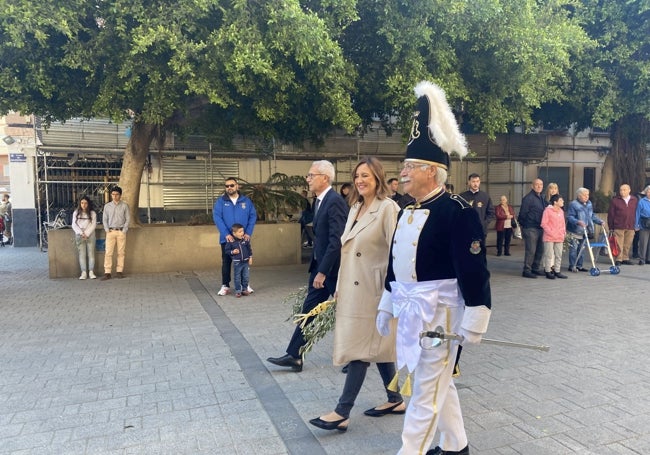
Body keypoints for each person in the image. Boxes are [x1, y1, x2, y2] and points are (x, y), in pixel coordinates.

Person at [375, 81, 491, 455]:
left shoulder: (457, 212)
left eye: (410, 166)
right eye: (404, 166)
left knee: (425, 389)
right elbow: (397, 265)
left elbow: (473, 269)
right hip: (410, 309)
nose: (403, 172)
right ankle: (456, 446)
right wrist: (387, 302)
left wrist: (476, 315)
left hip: (440, 314)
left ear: (432, 171)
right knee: (438, 382)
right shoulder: (407, 210)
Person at [308, 157, 403, 433]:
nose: (361, 180)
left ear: (378, 179)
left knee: (361, 349)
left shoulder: (388, 209)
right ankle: (395, 398)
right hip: (353, 289)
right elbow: (346, 248)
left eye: (367, 176)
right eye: (358, 175)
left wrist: (391, 291)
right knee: (377, 346)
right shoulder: (356, 207)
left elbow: (397, 252)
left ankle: (342, 411)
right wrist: (338, 286)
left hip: (374, 292)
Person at [267, 160, 348, 372]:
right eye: (308, 175)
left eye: (311, 175)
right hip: (319, 268)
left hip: (331, 271)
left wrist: (323, 271)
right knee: (309, 311)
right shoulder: (320, 201)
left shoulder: (335, 201)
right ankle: (295, 355)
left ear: (325, 178)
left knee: (348, 313)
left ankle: (358, 358)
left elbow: (336, 241)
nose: (308, 179)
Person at [213, 177, 257, 296]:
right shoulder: (221, 202)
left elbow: (253, 216)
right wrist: (226, 234)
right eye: (227, 186)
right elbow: (217, 218)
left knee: (244, 262)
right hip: (227, 240)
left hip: (243, 240)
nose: (229, 188)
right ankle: (225, 285)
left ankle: (245, 285)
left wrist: (248, 233)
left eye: (232, 185)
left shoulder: (246, 201)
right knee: (226, 262)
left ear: (237, 186)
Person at [566, 187, 604, 272]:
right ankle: (572, 265)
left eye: (587, 195)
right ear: (579, 196)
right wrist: (577, 221)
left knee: (582, 249)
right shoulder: (573, 204)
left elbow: (592, 216)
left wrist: (599, 221)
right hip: (575, 230)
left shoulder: (589, 203)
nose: (587, 197)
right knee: (574, 249)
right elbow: (570, 217)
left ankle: (580, 265)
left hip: (586, 230)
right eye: (584, 195)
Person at [518, 178, 546, 278]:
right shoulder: (528, 198)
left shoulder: (541, 197)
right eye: (537, 184)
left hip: (540, 228)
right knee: (531, 250)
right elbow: (522, 214)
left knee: (540, 249)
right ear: (532, 186)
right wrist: (525, 225)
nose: (539, 186)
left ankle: (536, 268)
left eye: (541, 184)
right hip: (530, 228)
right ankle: (527, 270)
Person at [101, 186, 130, 280]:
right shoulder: (107, 206)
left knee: (121, 252)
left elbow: (128, 219)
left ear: (120, 195)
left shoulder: (124, 206)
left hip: (121, 231)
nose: (114, 196)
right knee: (108, 252)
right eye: (113, 194)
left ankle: (119, 271)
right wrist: (106, 229)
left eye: (116, 194)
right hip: (110, 231)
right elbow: (104, 219)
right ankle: (107, 272)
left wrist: (124, 230)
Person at [608, 184, 638, 266]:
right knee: (619, 243)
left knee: (627, 243)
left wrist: (636, 224)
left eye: (624, 190)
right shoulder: (615, 200)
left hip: (630, 225)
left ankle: (625, 258)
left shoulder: (634, 200)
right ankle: (618, 259)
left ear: (629, 190)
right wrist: (611, 226)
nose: (622, 192)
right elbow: (611, 214)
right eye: (621, 190)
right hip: (619, 225)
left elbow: (637, 212)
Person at [459, 173, 494, 241]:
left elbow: (491, 213)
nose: (475, 184)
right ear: (469, 182)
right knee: (465, 250)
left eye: (477, 181)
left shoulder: (485, 196)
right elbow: (458, 213)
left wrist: (484, 224)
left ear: (480, 182)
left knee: (480, 250)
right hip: (466, 231)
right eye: (473, 181)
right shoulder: (462, 197)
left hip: (481, 231)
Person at [540, 194, 568, 279]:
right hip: (549, 237)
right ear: (555, 202)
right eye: (561, 200)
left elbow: (563, 223)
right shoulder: (547, 211)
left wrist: (564, 232)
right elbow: (544, 223)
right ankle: (548, 271)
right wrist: (551, 232)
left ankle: (557, 271)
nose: (563, 202)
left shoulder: (561, 211)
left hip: (559, 237)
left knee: (559, 254)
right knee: (548, 255)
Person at [72, 196, 98, 280]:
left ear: (88, 204)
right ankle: (83, 272)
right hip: (80, 235)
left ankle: (91, 271)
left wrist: (86, 233)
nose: (84, 205)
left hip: (90, 234)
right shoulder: (76, 213)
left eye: (86, 203)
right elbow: (74, 225)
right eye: (82, 203)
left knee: (91, 254)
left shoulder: (92, 213)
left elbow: (93, 224)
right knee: (82, 254)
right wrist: (81, 233)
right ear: (80, 203)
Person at [225, 223, 253, 297]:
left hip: (245, 262)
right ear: (234, 233)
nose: (242, 233)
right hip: (237, 263)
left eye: (243, 231)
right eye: (240, 232)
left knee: (246, 276)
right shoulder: (231, 241)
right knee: (237, 277)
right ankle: (238, 290)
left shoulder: (245, 240)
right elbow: (227, 251)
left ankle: (244, 289)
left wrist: (250, 257)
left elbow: (249, 249)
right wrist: (233, 252)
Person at [635, 185, 650, 265]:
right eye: (648, 192)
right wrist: (636, 225)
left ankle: (649, 259)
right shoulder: (642, 201)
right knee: (643, 242)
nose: (649, 193)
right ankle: (642, 259)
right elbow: (637, 213)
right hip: (644, 224)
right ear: (646, 192)